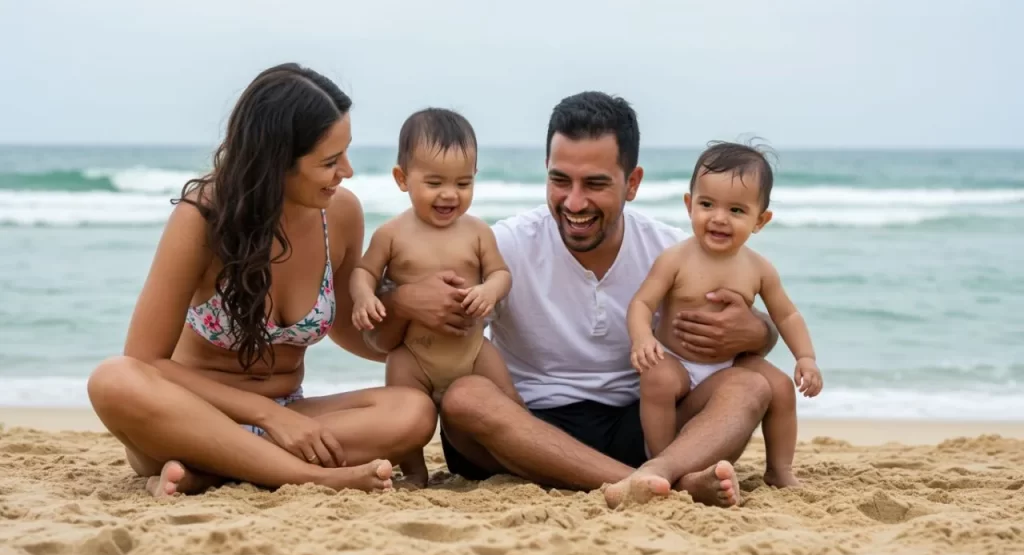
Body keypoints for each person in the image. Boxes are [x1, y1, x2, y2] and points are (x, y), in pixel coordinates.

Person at [366, 91, 784, 509]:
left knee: (749, 384)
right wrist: (401, 300)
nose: (575, 202)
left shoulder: (671, 250)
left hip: (643, 423)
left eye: (596, 183)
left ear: (632, 183)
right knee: (464, 397)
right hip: (526, 429)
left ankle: (656, 473)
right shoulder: (503, 245)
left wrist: (757, 331)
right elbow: (384, 341)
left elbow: (753, 329)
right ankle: (660, 483)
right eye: (560, 180)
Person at [85, 63, 437, 498]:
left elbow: (351, 331)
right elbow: (145, 361)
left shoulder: (341, 214)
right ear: (277, 163)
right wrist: (268, 416)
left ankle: (210, 474)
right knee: (113, 379)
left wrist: (409, 312)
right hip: (191, 419)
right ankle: (318, 477)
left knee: (413, 411)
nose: (346, 170)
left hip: (295, 415)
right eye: (329, 161)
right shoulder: (202, 220)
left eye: (345, 153)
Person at [627, 141, 822, 489]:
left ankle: (779, 468)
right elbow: (642, 303)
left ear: (760, 221)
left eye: (736, 210)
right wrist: (642, 338)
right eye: (706, 204)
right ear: (689, 206)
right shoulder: (675, 259)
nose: (718, 218)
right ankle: (660, 459)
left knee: (779, 386)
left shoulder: (759, 268)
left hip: (729, 364)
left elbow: (787, 315)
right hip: (677, 361)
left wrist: (805, 358)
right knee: (656, 377)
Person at [349, 107, 513, 488]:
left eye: (463, 183)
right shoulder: (391, 234)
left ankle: (517, 456)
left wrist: (488, 290)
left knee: (509, 401)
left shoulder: (477, 232)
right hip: (414, 356)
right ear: (402, 178)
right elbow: (364, 272)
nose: (449, 195)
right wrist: (362, 298)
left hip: (472, 350)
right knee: (402, 412)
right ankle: (416, 471)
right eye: (435, 182)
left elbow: (501, 274)